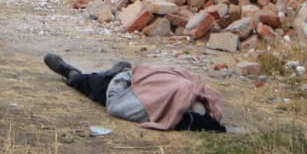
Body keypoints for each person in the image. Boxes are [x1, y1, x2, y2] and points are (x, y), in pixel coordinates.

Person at [41, 54, 227, 132]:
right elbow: (115, 105)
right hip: (123, 81)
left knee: (88, 82)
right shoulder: (176, 95)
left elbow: (115, 106)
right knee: (91, 82)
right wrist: (122, 78)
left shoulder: (192, 93)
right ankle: (75, 75)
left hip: (128, 81)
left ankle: (74, 74)